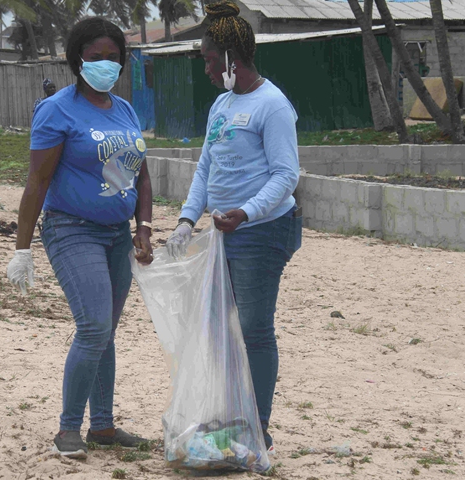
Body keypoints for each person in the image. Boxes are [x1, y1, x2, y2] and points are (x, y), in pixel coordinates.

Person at [6, 17, 154, 460]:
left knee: (105, 332)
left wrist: (143, 228)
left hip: (116, 235)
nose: (105, 65)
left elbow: (142, 177)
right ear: (77, 61)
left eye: (113, 58)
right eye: (95, 58)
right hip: (71, 229)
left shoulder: (125, 111)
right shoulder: (57, 110)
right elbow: (37, 181)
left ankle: (103, 427)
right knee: (93, 327)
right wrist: (22, 248)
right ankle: (69, 429)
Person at [165, 0, 302, 456]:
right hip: (225, 234)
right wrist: (188, 219)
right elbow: (206, 167)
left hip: (263, 232)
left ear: (230, 59)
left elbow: (286, 176)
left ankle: (257, 426)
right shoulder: (221, 105)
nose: (205, 68)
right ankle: (231, 411)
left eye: (207, 59)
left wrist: (245, 212)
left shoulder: (273, 105)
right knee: (221, 330)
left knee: (255, 329)